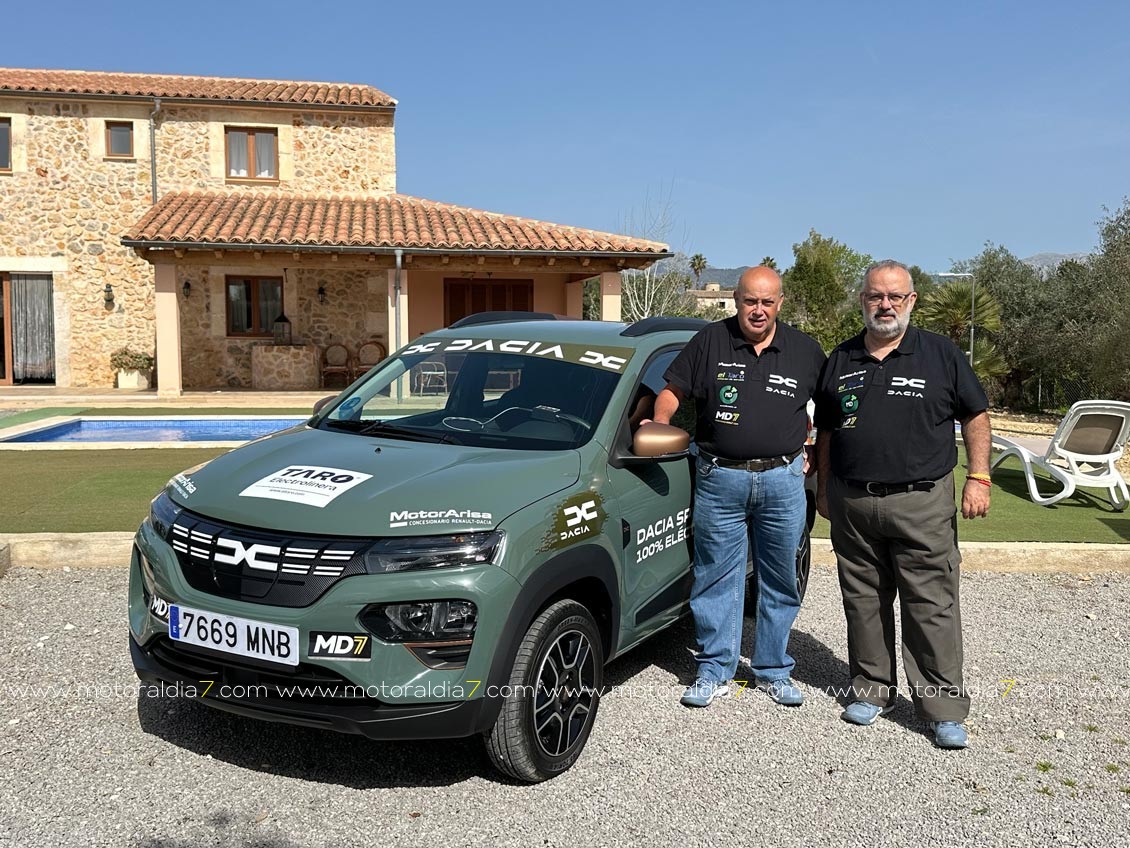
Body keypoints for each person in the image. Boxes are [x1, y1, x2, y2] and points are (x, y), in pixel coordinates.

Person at [813, 259, 991, 749]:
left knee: (930, 603)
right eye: (875, 296)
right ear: (863, 301)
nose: (884, 304)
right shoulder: (841, 358)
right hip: (853, 501)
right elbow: (826, 429)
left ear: (911, 300)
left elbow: (976, 414)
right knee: (863, 600)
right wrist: (824, 484)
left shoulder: (940, 355)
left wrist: (979, 477)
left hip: (922, 502)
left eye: (895, 296)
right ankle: (872, 691)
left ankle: (942, 708)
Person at [652, 265, 826, 708]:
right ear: (736, 299)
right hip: (719, 478)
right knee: (715, 576)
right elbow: (672, 391)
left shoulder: (805, 351)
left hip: (783, 480)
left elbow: (830, 411)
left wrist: (819, 453)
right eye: (751, 301)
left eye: (768, 302)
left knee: (780, 577)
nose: (759, 310)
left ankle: (772, 670)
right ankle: (714, 668)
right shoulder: (710, 341)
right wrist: (659, 423)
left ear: (780, 303)